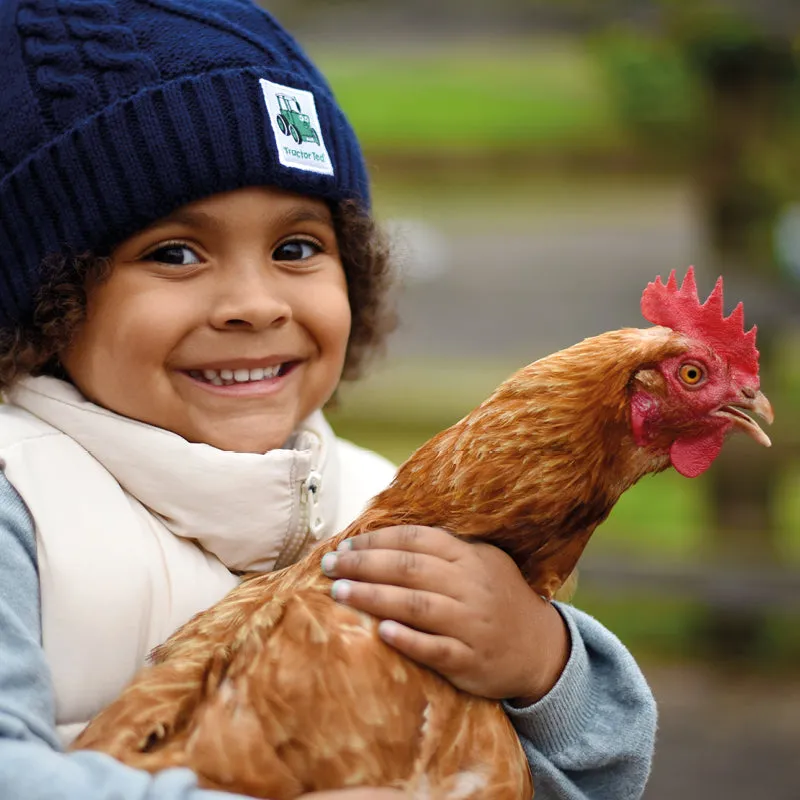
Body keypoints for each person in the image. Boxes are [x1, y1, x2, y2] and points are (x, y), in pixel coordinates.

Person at [0, 1, 657, 798]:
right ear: (47, 300)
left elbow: (587, 780)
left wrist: (540, 666)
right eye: (174, 253)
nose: (256, 302)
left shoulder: (378, 501)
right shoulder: (22, 500)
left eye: (297, 248)